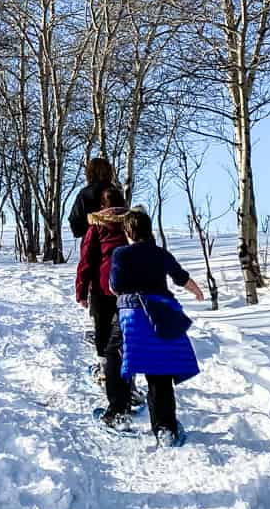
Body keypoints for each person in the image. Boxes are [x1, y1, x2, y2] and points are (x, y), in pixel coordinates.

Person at [109, 208, 205, 444]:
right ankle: (165, 429)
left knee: (115, 357)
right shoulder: (160, 253)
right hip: (160, 314)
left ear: (128, 231)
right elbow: (180, 277)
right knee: (159, 369)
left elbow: (115, 286)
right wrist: (198, 292)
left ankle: (118, 414)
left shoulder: (121, 254)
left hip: (131, 315)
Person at [75, 185, 133, 422]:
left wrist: (81, 290)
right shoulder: (132, 224)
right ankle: (128, 390)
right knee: (123, 342)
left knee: (104, 338)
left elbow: (87, 260)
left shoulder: (96, 227)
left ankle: (112, 394)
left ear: (101, 206)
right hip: (129, 291)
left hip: (101, 289)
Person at [68, 155, 116, 243]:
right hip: (115, 244)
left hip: (92, 244)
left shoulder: (85, 194)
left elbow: (75, 224)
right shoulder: (116, 193)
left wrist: (90, 228)